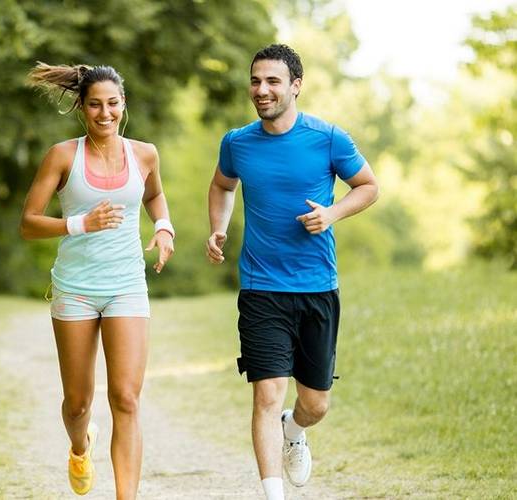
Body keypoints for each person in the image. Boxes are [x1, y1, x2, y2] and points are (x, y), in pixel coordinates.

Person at [205, 44, 379, 500]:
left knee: (315, 404)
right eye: (256, 81)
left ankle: (295, 430)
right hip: (261, 289)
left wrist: (333, 214)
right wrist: (218, 228)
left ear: (295, 86)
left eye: (272, 81)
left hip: (317, 287)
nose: (261, 90)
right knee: (267, 395)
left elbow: (368, 186)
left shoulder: (328, 139)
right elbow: (223, 184)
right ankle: (272, 494)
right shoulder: (236, 142)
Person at [20, 62, 175, 499]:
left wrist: (164, 227)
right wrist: (79, 224)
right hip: (75, 289)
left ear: (123, 105)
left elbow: (154, 194)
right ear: (82, 109)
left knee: (126, 398)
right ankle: (78, 445)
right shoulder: (63, 155)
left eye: (112, 104)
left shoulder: (144, 154)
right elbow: (29, 223)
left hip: (127, 284)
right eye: (95, 105)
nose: (104, 113)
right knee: (79, 403)